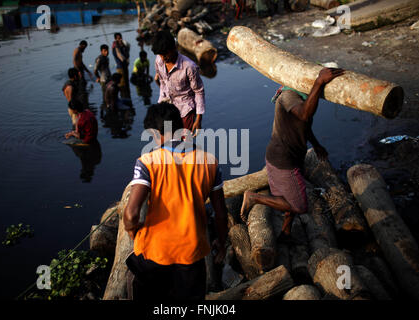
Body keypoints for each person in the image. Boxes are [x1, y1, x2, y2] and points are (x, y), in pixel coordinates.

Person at [123, 102, 228, 300]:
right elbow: (221, 214)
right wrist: (222, 244)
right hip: (192, 254)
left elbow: (130, 215)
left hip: (154, 253)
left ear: (155, 134)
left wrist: (133, 233)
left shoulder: (147, 162)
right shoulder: (210, 161)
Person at [240, 67, 345, 241]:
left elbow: (304, 124)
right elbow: (304, 115)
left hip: (290, 156)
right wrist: (319, 82)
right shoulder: (288, 96)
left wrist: (316, 145)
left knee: (288, 197)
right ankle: (254, 198)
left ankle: (286, 232)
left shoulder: (303, 96)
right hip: (283, 160)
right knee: (299, 206)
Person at [151, 30, 205, 135]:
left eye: (165, 54)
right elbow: (163, 83)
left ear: (174, 47)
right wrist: (160, 104)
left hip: (185, 109)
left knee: (184, 145)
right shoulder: (159, 61)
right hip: (167, 108)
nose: (163, 58)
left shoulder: (189, 67)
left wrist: (198, 119)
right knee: (167, 142)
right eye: (160, 55)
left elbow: (199, 91)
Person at [112, 32, 131, 98]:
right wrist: (125, 60)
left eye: (120, 38)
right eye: (118, 38)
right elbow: (120, 57)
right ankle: (124, 97)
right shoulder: (115, 48)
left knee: (126, 83)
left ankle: (128, 97)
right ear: (115, 39)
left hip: (125, 67)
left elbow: (127, 54)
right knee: (122, 84)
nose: (120, 40)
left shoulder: (123, 46)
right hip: (120, 68)